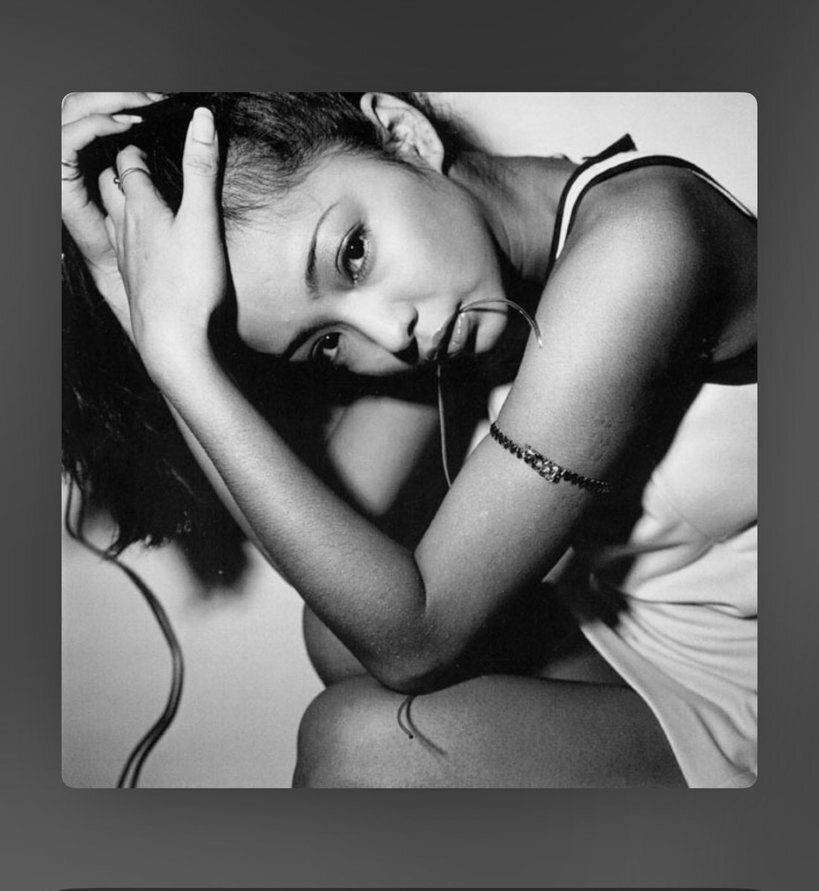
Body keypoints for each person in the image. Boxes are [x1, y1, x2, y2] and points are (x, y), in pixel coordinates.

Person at [61, 92, 757, 789]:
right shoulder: (459, 296)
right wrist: (145, 320)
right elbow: (338, 567)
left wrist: (181, 362)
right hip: (658, 644)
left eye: (352, 255)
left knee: (359, 750)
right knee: (334, 635)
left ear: (404, 132)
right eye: (327, 343)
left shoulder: (644, 235)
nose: (390, 335)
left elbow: (414, 639)